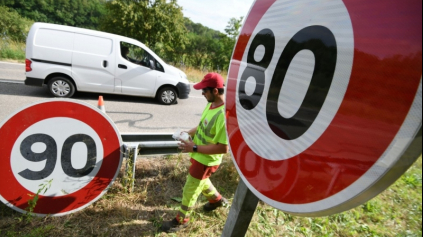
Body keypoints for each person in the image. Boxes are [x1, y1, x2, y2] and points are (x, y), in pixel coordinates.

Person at [161, 72, 229, 233]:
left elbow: (223, 148)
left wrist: (195, 148)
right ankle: (216, 200)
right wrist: (188, 133)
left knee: (190, 190)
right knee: (201, 181)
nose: (202, 93)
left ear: (215, 91)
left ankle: (182, 220)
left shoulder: (224, 116)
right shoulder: (211, 104)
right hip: (199, 155)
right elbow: (201, 127)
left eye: (205, 90)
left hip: (206, 160)